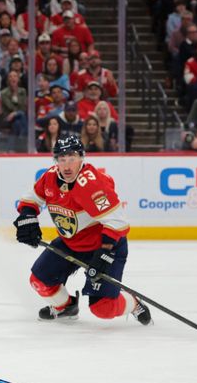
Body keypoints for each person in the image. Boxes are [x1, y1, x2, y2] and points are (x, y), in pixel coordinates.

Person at [13, 135, 152, 325]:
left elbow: (118, 222)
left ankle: (133, 303)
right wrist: (27, 216)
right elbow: (32, 198)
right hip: (71, 243)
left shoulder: (93, 185)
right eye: (62, 159)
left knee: (103, 309)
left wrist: (104, 253)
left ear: (82, 157)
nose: (67, 165)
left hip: (104, 246)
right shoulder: (50, 177)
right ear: (56, 161)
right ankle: (66, 307)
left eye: (72, 158)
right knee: (39, 281)